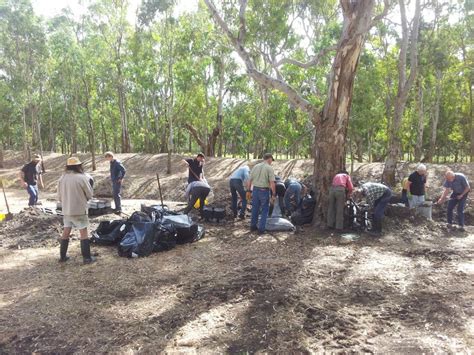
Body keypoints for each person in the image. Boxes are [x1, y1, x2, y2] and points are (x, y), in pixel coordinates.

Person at [57, 157, 95, 264]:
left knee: (66, 231)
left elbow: (59, 197)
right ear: (79, 166)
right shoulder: (81, 178)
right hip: (79, 210)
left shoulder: (62, 178)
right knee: (83, 233)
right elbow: (90, 194)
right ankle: (87, 258)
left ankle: (62, 257)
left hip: (66, 210)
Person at [248, 153, 276, 235]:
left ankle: (253, 226)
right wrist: (273, 194)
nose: (271, 162)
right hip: (264, 191)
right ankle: (261, 229)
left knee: (255, 209)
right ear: (269, 159)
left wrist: (248, 190)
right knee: (264, 210)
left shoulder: (255, 166)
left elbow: (249, 180)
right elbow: (272, 183)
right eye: (271, 160)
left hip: (255, 190)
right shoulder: (269, 168)